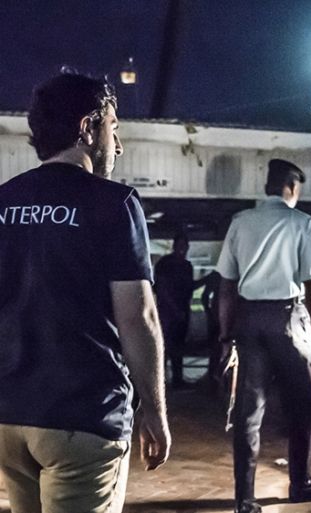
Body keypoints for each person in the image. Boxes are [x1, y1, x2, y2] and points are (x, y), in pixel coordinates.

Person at [0, 72, 170, 513]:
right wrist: (155, 411)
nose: (118, 145)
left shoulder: (3, 201)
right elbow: (139, 318)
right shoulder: (115, 203)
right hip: (83, 417)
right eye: (114, 127)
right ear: (88, 127)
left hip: (8, 418)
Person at [216, 158, 311, 513]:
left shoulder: (240, 222)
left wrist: (225, 337)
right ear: (293, 187)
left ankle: (244, 499)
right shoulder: (304, 224)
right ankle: (300, 484)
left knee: (247, 415)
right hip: (289, 320)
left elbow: (226, 287)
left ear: (267, 185)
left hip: (249, 321)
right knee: (303, 407)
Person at [154, 231, 196, 389]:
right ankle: (160, 381)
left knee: (177, 346)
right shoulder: (166, 264)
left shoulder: (186, 266)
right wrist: (174, 308)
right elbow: (162, 288)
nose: (183, 248)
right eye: (180, 245)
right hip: (168, 313)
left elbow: (189, 288)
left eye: (185, 245)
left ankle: (175, 379)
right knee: (165, 346)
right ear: (174, 246)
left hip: (179, 311)